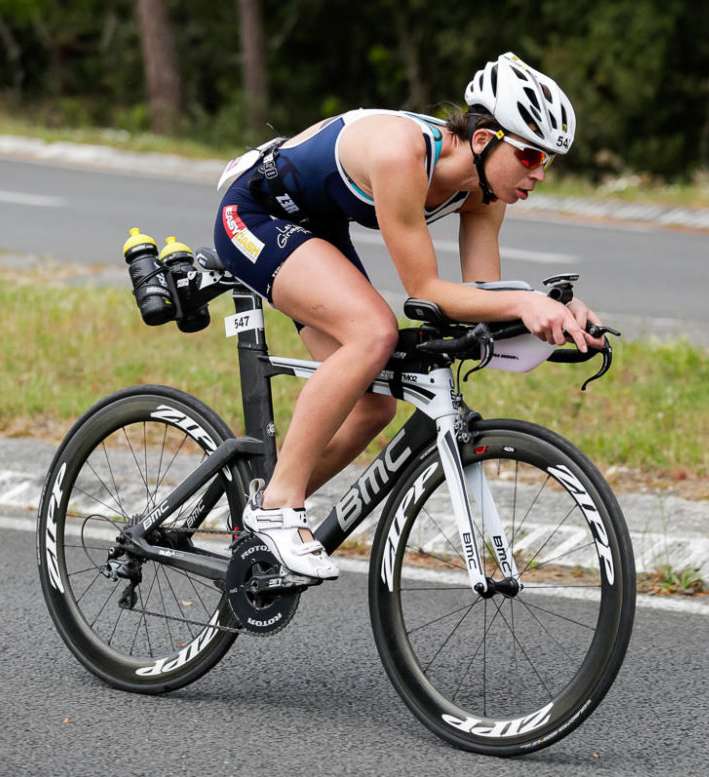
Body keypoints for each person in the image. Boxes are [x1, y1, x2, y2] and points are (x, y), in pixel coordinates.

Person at [212, 52, 604, 581]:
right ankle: (279, 507)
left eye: (548, 163)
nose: (538, 174)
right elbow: (426, 290)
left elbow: (482, 300)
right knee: (372, 332)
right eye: (531, 158)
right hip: (256, 213)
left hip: (317, 229)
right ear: (486, 141)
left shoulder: (486, 192)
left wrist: (556, 313)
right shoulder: (402, 154)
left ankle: (261, 504)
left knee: (371, 408)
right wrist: (524, 301)